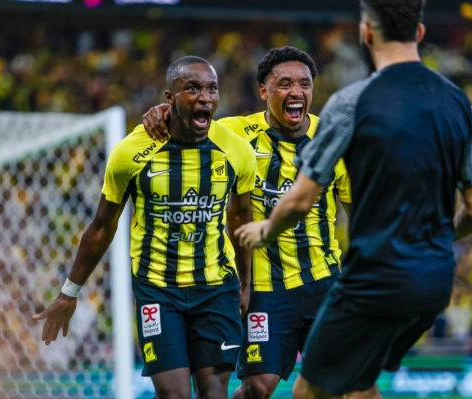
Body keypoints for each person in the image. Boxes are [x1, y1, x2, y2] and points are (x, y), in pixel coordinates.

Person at [235, 1, 472, 398]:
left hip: (373, 278)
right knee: (358, 383)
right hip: (435, 282)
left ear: (366, 33)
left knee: (312, 390)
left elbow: (301, 201)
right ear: (420, 34)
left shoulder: (351, 103)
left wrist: (266, 229)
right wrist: (434, 238)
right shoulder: (460, 102)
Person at [33, 55, 257, 399]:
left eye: (212, 89)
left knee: (214, 393)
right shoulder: (131, 152)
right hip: (158, 290)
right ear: (169, 98)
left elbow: (240, 217)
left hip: (216, 288)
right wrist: (69, 292)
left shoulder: (236, 152)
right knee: (174, 394)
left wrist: (246, 280)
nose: (205, 97)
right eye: (192, 88)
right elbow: (102, 226)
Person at [142, 46, 351, 399]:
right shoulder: (234, 134)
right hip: (265, 289)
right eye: (284, 84)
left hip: (323, 281)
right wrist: (164, 112)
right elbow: (190, 118)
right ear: (264, 92)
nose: (297, 92)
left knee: (340, 382)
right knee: (257, 386)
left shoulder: (333, 138)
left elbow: (359, 210)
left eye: (305, 83)